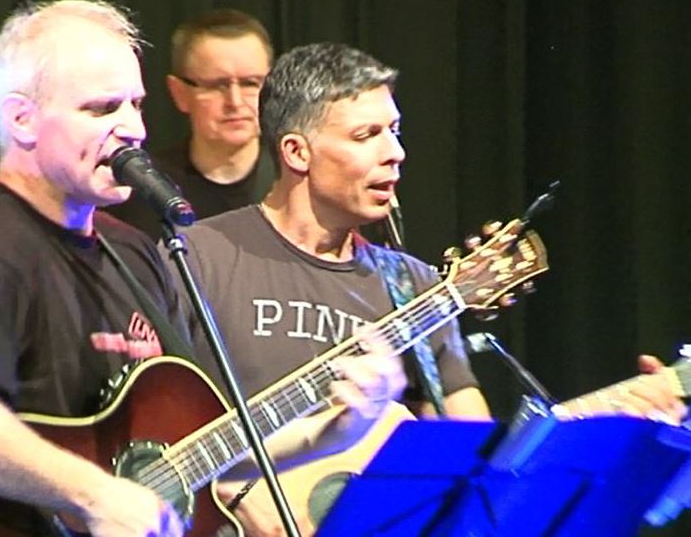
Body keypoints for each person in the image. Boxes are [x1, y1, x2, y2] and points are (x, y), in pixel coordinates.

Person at [0, 2, 407, 537]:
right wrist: (92, 494)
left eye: (135, 105)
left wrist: (336, 432)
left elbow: (195, 454)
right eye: (102, 108)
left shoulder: (134, 252)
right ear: (22, 119)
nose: (132, 129)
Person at [164, 42, 687, 535]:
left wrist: (621, 419)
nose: (395, 153)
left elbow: (479, 462)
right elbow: (144, 432)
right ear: (298, 152)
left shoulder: (414, 287)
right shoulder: (198, 257)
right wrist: (226, 490)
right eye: (367, 135)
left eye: (395, 130)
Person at [112, 8, 275, 237]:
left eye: (251, 83)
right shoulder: (143, 192)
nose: (235, 102)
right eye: (217, 85)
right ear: (179, 93)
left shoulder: (299, 186)